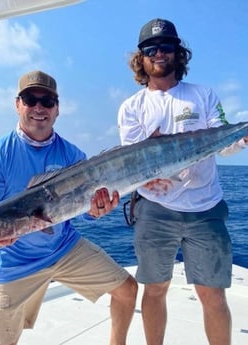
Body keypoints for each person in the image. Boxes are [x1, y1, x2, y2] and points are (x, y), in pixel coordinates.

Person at [0, 70, 138, 345]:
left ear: (57, 109)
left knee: (127, 289)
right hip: (14, 262)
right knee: (4, 341)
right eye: (30, 99)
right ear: (17, 105)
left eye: (47, 101)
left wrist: (97, 211)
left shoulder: (73, 156)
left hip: (63, 247)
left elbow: (88, 211)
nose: (39, 107)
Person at [117, 18, 248, 345]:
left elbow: (225, 140)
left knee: (212, 295)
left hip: (206, 208)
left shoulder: (203, 95)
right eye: (151, 49)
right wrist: (147, 184)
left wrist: (242, 139)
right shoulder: (131, 108)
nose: (159, 54)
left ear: (178, 53)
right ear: (141, 57)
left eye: (167, 47)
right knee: (155, 288)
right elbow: (133, 163)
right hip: (155, 210)